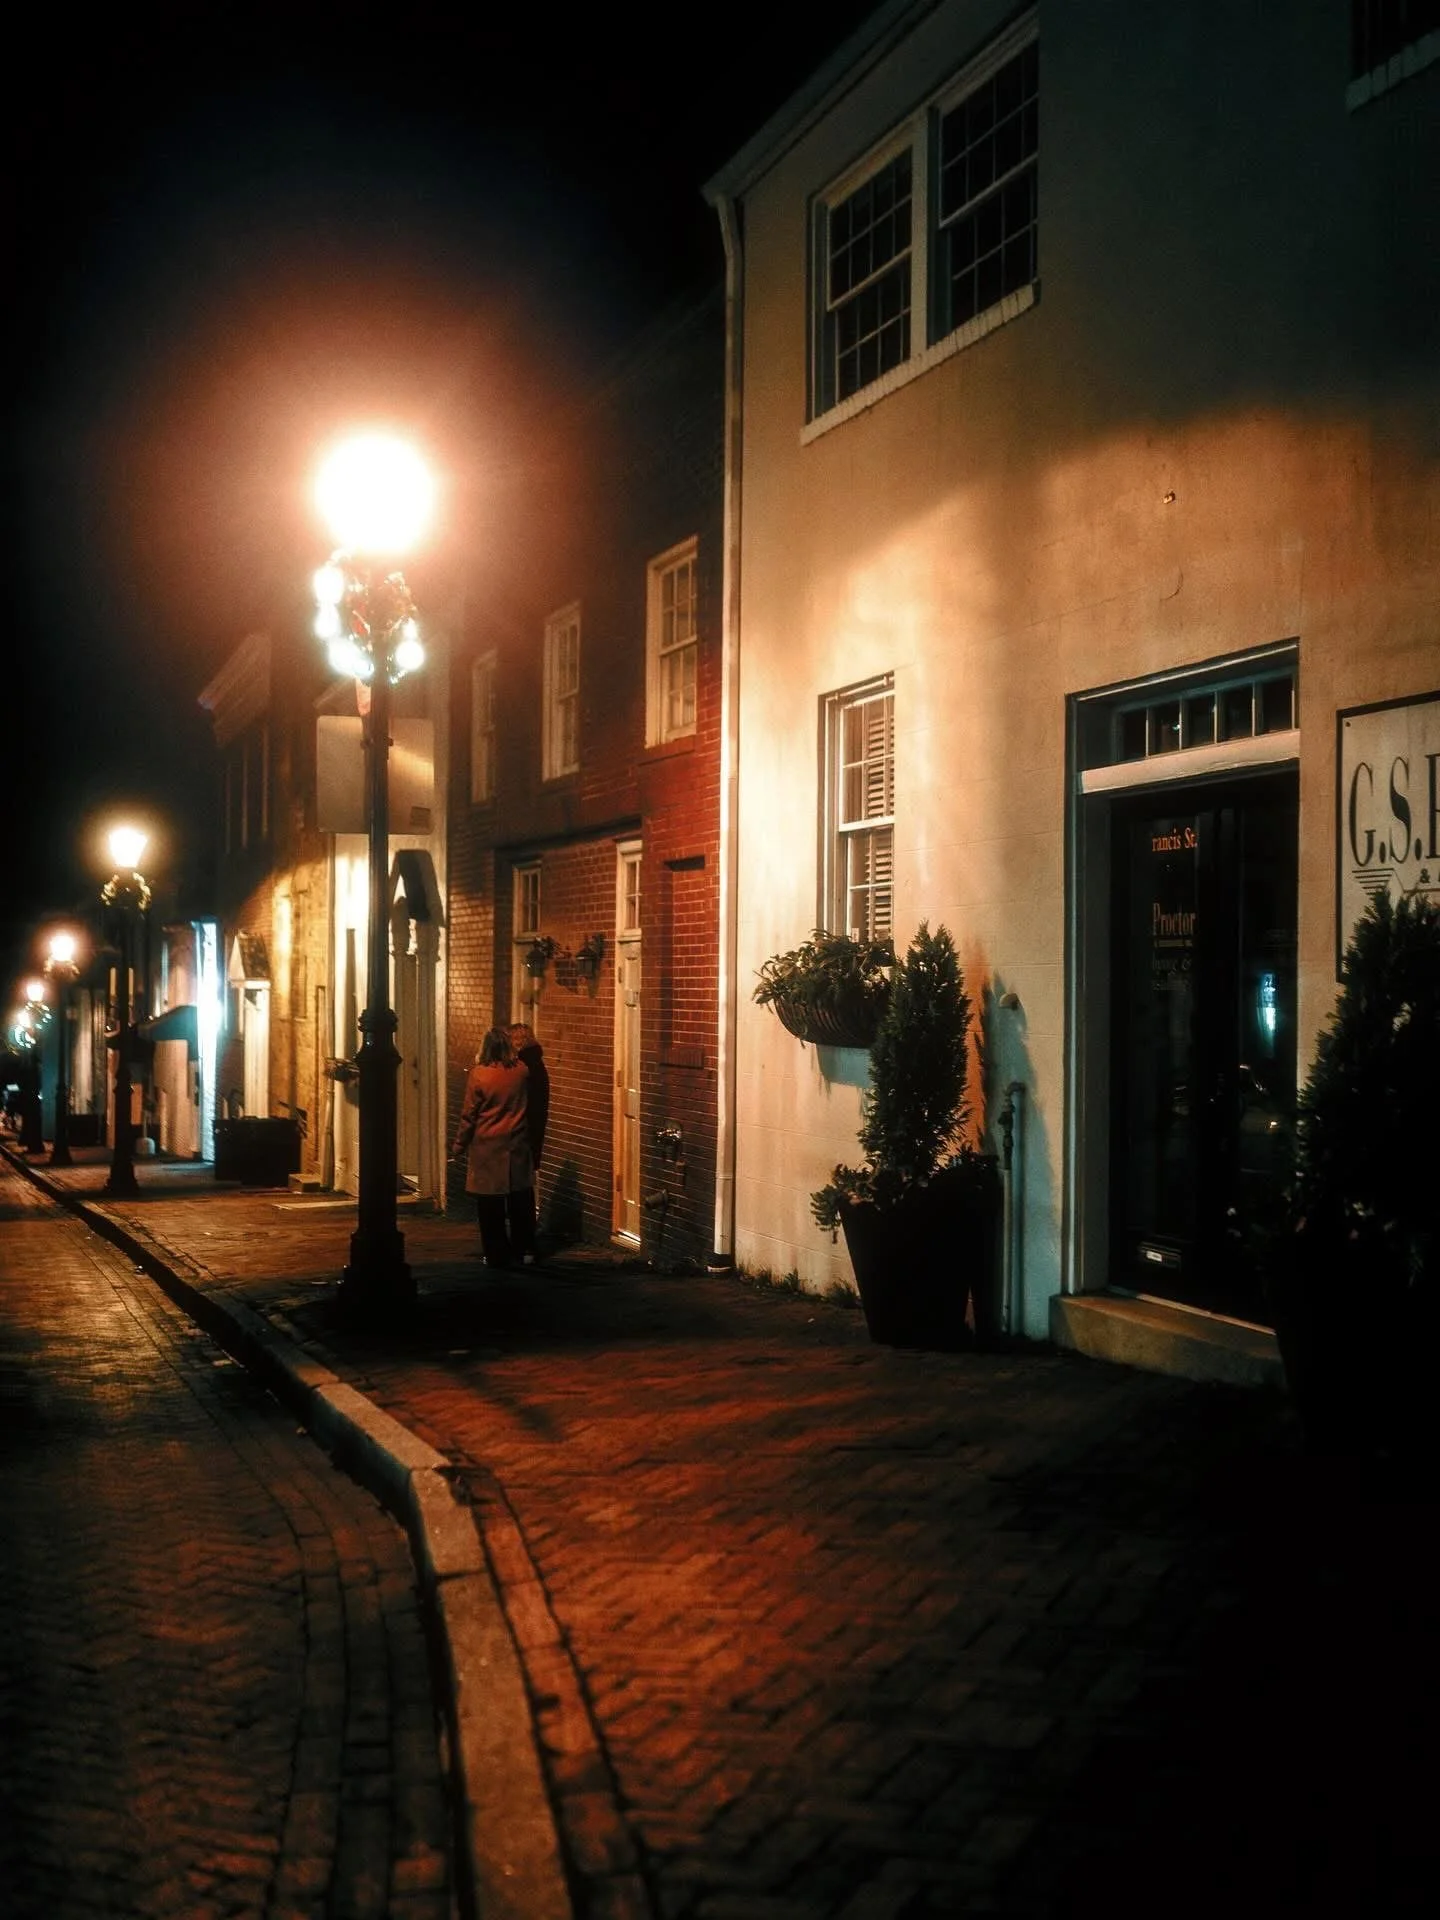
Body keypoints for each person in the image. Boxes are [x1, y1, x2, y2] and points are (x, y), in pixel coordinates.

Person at [451, 1027, 536, 1267]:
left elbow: (469, 1115)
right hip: (516, 1144)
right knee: (521, 1201)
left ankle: (496, 1253)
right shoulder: (522, 1071)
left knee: (490, 1206)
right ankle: (525, 1249)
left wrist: (459, 1145)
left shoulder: (479, 1075)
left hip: (488, 1147)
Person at [507, 1022, 550, 1260]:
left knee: (519, 1190)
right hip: (532, 1132)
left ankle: (523, 1243)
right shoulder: (537, 1064)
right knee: (523, 1188)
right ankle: (526, 1242)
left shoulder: (523, 1069)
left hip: (521, 1134)